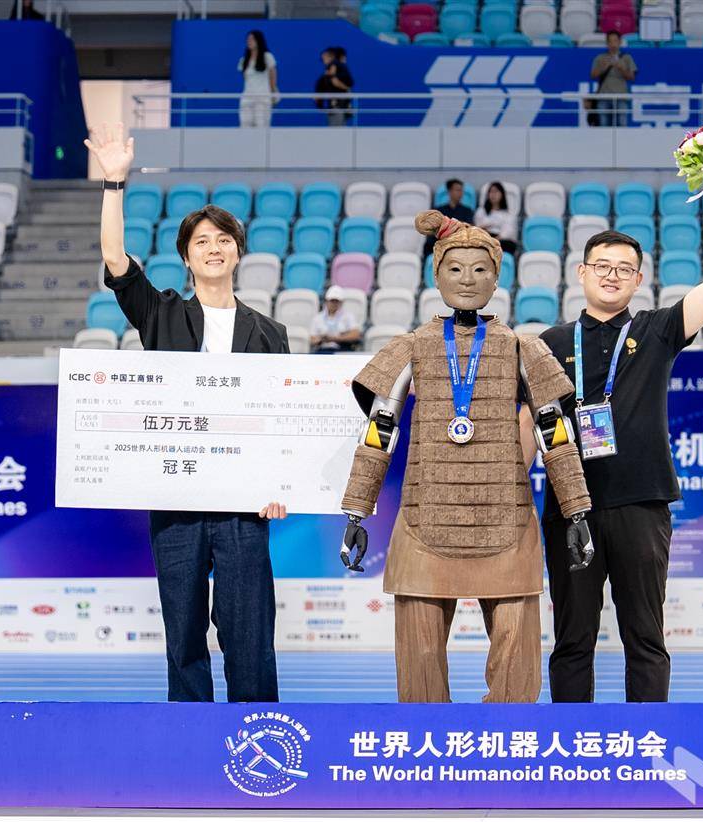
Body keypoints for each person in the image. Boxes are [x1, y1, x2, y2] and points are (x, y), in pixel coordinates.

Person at [337, 211, 594, 704]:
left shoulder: (523, 349)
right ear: (436, 277)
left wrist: (577, 509)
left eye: (480, 269)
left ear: (497, 278)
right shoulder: (411, 347)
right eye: (455, 269)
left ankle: (507, 744)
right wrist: (356, 509)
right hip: (424, 518)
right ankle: (427, 744)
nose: (468, 279)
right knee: (420, 666)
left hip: (507, 521)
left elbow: (556, 435)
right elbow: (378, 432)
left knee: (517, 666)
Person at [83, 121, 290, 703]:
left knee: (251, 636)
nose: (214, 248)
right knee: (184, 635)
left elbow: (280, 421)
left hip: (244, 505)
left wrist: (280, 484)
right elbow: (114, 258)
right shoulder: (163, 314)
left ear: (238, 251)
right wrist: (114, 184)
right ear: (186, 257)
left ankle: (256, 731)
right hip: (176, 500)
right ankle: (190, 737)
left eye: (223, 239)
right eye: (202, 241)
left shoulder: (270, 333)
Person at [538, 169, 703, 703]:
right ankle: (573, 742)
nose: (612, 276)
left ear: (638, 279)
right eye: (602, 266)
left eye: (624, 269)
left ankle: (647, 739)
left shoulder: (656, 331)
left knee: (646, 639)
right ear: (581, 272)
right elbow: (525, 422)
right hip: (569, 507)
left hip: (642, 504)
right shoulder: (549, 342)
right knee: (571, 641)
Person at [590, 30, 637, 128]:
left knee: (622, 125)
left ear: (620, 42)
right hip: (604, 97)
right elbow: (593, 75)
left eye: (615, 41)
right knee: (603, 125)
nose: (613, 44)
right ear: (607, 43)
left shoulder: (627, 58)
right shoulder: (600, 58)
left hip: (621, 97)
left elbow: (632, 77)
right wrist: (603, 67)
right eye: (610, 41)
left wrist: (621, 68)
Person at [423, 178, 475, 258]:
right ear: (450, 192)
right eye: (458, 190)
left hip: (460, 243)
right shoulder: (439, 211)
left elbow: (468, 227)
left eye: (461, 191)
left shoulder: (467, 211)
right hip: (441, 242)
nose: (461, 193)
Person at [238, 30, 278, 129]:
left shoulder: (267, 57)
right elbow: (245, 78)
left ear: (258, 41)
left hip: (263, 98)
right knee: (245, 126)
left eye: (252, 39)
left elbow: (273, 78)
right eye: (248, 39)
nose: (249, 41)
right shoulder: (243, 60)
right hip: (247, 99)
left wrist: (273, 94)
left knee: (261, 127)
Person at [309, 285, 361, 352]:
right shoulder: (317, 318)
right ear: (326, 301)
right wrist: (321, 339)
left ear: (341, 302)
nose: (334, 303)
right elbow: (312, 338)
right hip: (323, 350)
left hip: (342, 349)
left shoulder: (348, 316)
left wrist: (336, 339)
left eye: (336, 301)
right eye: (332, 301)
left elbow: (355, 335)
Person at [474, 181, 518, 256]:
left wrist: (494, 240)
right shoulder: (481, 211)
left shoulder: (508, 214)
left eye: (496, 192)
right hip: (485, 238)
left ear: (502, 194)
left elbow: (507, 232)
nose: (493, 194)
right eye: (491, 192)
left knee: (506, 245)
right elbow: (478, 228)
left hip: (500, 241)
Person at [314, 46, 354, 127]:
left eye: (324, 58)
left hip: (337, 105)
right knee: (339, 128)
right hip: (338, 105)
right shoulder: (335, 67)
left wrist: (346, 88)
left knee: (337, 129)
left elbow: (334, 81)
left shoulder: (334, 65)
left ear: (331, 56)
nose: (323, 61)